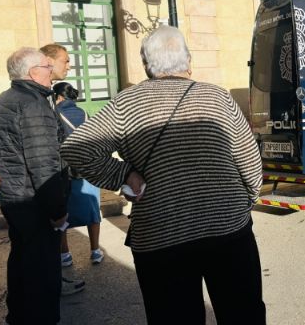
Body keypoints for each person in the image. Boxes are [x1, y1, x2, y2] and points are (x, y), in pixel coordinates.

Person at [61, 26, 266, 324]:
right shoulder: (217, 97)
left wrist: (125, 175)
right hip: (228, 229)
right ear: (188, 61)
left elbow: (76, 148)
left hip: (160, 234)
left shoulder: (126, 103)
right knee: (243, 314)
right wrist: (244, 202)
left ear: (147, 65)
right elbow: (249, 162)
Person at [0, 47, 71, 324]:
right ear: (33, 72)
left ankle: (18, 316)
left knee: (22, 261)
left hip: (13, 200)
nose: (51, 71)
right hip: (34, 201)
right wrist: (58, 211)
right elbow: (43, 165)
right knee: (43, 272)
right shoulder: (33, 105)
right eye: (46, 67)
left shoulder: (3, 100)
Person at [53, 82, 104, 266]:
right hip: (87, 170)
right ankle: (95, 251)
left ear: (58, 97)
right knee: (93, 211)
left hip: (64, 172)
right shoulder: (84, 113)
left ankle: (65, 254)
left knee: (61, 214)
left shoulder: (54, 114)